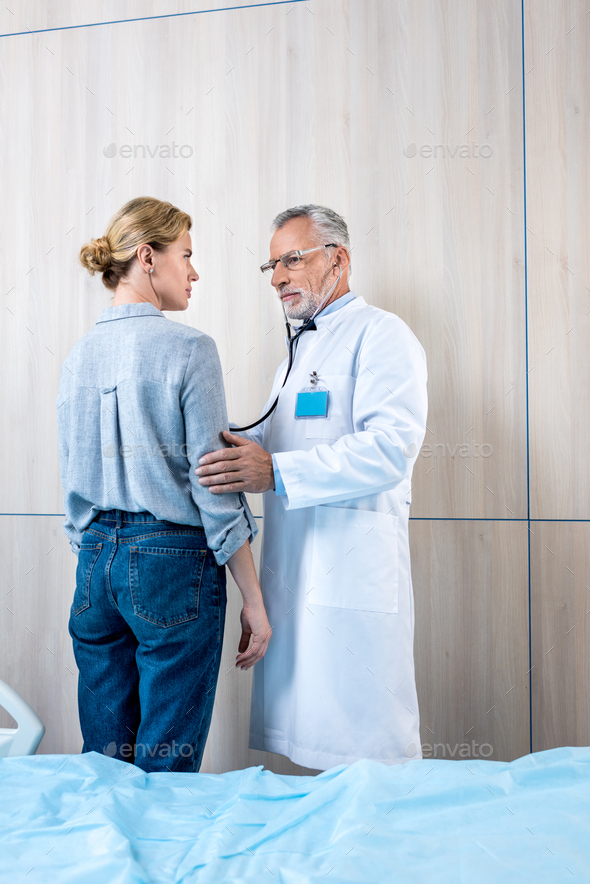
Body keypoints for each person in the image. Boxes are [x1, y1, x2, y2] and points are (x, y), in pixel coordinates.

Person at [195, 205, 428, 771]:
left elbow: (391, 448)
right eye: (272, 265)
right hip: (297, 575)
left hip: (353, 577)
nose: (277, 278)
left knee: (366, 756)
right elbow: (268, 440)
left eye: (292, 260)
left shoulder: (383, 335)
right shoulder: (295, 357)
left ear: (338, 260)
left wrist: (274, 471)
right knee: (309, 753)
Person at [56, 196, 271, 773]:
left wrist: (101, 553)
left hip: (94, 565)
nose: (194, 272)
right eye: (187, 256)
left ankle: (108, 861)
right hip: (171, 563)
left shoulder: (78, 358)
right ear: (147, 258)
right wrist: (253, 598)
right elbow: (215, 484)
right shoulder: (191, 350)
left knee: (104, 763)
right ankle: (161, 862)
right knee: (166, 772)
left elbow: (72, 481)